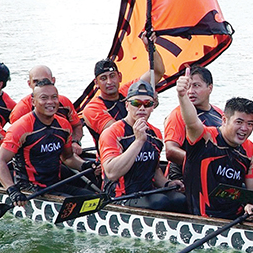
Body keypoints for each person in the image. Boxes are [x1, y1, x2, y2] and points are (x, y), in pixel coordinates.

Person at [0, 79, 96, 206]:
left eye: (54, 97)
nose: (50, 102)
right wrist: (12, 190)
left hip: (56, 185)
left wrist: (85, 165)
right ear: (33, 102)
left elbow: (68, 157)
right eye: (44, 98)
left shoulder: (63, 125)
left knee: (95, 198)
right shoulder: (21, 128)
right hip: (29, 191)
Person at [176, 68, 253, 221]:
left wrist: (251, 206)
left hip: (236, 218)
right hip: (204, 218)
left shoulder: (249, 149)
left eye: (250, 124)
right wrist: (182, 96)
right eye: (239, 122)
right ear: (224, 120)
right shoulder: (205, 137)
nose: (244, 129)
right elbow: (191, 122)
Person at [98, 80, 186, 212]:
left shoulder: (155, 133)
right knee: (160, 202)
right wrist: (138, 141)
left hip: (146, 192)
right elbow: (111, 172)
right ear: (127, 105)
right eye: (136, 103)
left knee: (181, 200)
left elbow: (155, 170)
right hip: (119, 197)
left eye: (147, 104)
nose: (142, 108)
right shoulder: (112, 133)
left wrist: (167, 183)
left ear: (152, 107)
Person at [81, 50, 165, 146]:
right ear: (96, 83)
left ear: (120, 77)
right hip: (114, 156)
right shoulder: (92, 109)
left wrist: (150, 48)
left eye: (112, 76)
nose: (109, 82)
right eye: (103, 78)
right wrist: (145, 107)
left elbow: (158, 72)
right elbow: (119, 133)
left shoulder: (129, 91)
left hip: (141, 149)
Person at [162, 65, 223, 181]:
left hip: (214, 174)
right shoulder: (177, 114)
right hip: (181, 178)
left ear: (210, 88)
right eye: (188, 86)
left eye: (196, 86)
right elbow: (170, 151)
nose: (190, 92)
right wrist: (205, 163)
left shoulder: (219, 114)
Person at [9, 65, 84, 154]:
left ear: (53, 81)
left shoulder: (64, 102)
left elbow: (77, 126)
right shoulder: (21, 110)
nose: (41, 84)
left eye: (45, 80)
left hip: (64, 153)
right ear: (29, 84)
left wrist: (75, 142)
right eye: (36, 81)